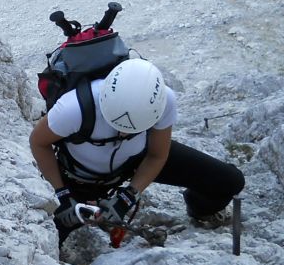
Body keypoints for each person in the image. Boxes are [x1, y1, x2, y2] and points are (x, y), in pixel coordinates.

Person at [29, 58, 244, 244]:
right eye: (116, 125)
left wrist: (129, 196)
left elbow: (158, 154)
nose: (121, 134)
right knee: (49, 236)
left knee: (229, 181)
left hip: (135, 160)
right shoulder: (73, 108)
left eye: (131, 130)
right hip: (80, 177)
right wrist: (63, 194)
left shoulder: (163, 100)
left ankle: (199, 209)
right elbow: (38, 142)